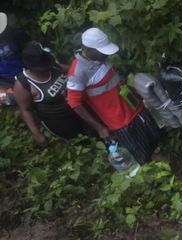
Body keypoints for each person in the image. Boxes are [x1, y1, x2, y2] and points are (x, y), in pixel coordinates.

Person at [66, 27, 160, 164]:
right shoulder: (78, 73)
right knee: (141, 157)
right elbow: (75, 104)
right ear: (89, 49)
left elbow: (116, 82)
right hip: (120, 122)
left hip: (136, 108)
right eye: (101, 50)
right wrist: (100, 128)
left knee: (155, 141)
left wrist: (136, 94)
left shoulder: (102, 59)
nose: (106, 54)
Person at [14, 42, 88, 146]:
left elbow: (75, 71)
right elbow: (26, 110)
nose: (45, 70)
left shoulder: (54, 67)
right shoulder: (23, 84)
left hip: (78, 109)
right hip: (59, 121)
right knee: (80, 143)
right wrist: (37, 134)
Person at [0, 12, 29, 106]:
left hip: (25, 71)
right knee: (11, 99)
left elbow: (26, 45)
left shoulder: (14, 33)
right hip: (6, 80)